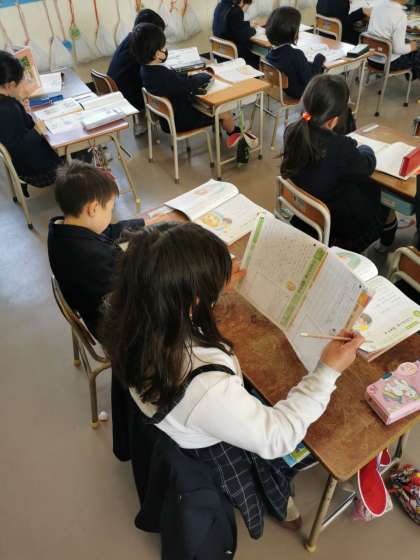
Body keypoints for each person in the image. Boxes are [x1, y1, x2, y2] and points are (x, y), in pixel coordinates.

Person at [102, 221, 364, 538]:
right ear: (192, 303)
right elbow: (278, 437)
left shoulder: (134, 312)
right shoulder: (206, 385)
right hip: (211, 445)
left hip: (181, 419)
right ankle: (278, 500)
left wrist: (210, 291)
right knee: (319, 432)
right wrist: (327, 372)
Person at [281, 74, 397, 253]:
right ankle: (385, 247)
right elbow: (367, 165)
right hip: (338, 229)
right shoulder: (341, 148)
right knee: (385, 204)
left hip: (304, 214)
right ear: (333, 120)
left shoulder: (292, 131)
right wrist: (365, 148)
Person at [47, 161, 145, 338]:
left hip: (99, 307)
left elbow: (109, 232)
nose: (110, 215)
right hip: (120, 329)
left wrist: (144, 223)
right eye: (110, 209)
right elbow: (130, 291)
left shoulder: (63, 230)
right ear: (93, 209)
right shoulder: (89, 257)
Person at [133, 23, 257, 148]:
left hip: (167, 119)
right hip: (181, 120)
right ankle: (235, 133)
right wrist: (205, 75)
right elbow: (188, 84)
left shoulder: (146, 70)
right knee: (224, 112)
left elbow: (175, 80)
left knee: (209, 104)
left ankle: (230, 128)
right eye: (163, 47)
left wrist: (186, 74)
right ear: (157, 54)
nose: (166, 49)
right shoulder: (164, 76)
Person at [0, 50, 60, 191]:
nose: (23, 85)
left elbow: (14, 132)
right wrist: (37, 130)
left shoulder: (8, 103)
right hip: (37, 171)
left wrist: (22, 108)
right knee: (80, 149)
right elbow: (18, 147)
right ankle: (77, 189)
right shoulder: (8, 108)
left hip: (23, 166)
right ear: (10, 85)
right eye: (21, 82)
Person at [108, 9, 165, 136]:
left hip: (115, 88)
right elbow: (153, 72)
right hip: (127, 95)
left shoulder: (131, 39)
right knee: (165, 84)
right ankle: (164, 117)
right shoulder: (140, 48)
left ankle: (146, 118)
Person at [265, 7, 325, 100]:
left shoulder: (270, 53)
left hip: (285, 89)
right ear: (291, 32)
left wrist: (307, 64)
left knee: (309, 66)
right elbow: (310, 80)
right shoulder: (296, 55)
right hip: (299, 93)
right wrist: (319, 59)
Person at [368, 0, 420, 79]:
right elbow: (398, 49)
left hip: (370, 58)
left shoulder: (377, 6)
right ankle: (411, 76)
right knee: (417, 50)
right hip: (388, 63)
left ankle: (412, 75)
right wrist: (413, 46)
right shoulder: (400, 16)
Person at [212, 0, 260, 68]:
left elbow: (230, 24)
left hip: (220, 52)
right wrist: (253, 30)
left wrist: (248, 24)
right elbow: (241, 37)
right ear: (242, 1)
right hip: (233, 53)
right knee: (257, 57)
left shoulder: (220, 5)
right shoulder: (236, 10)